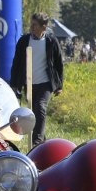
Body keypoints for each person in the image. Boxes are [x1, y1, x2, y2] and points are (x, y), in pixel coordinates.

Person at [12, 11, 64, 145]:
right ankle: (43, 143)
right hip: (29, 83)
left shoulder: (51, 41)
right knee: (34, 112)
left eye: (35, 25)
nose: (32, 27)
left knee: (40, 107)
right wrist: (14, 83)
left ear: (44, 27)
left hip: (45, 83)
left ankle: (37, 142)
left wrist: (59, 85)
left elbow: (58, 63)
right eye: (31, 24)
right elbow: (16, 62)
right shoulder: (24, 41)